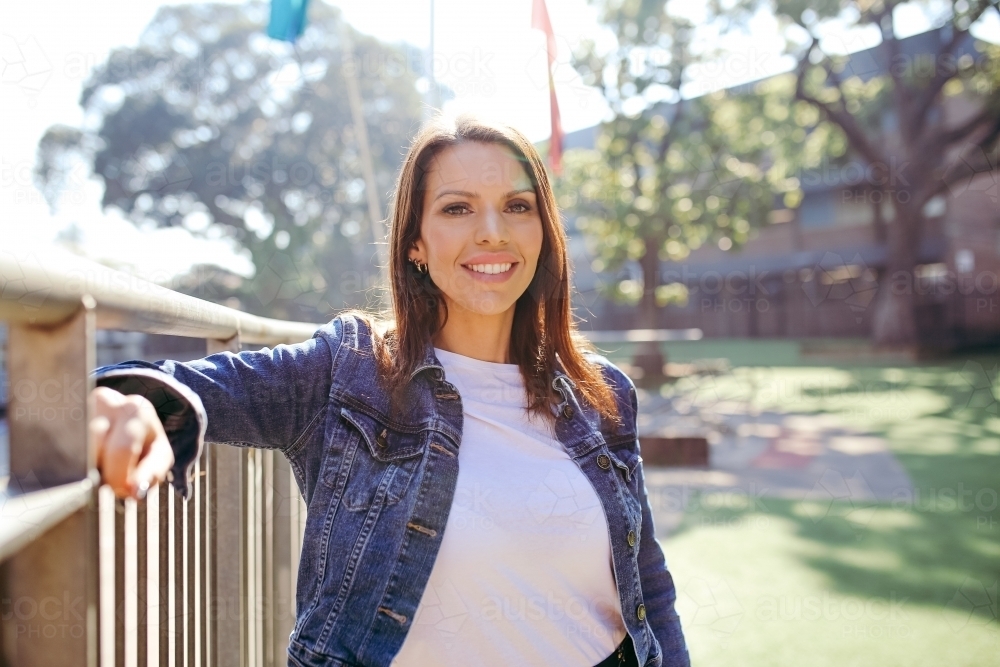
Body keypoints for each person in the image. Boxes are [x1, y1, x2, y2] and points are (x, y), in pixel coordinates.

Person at [90, 114, 690, 667]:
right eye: (457, 209)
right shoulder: (350, 372)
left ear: (543, 231)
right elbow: (185, 388)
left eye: (516, 206)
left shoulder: (601, 392)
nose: (491, 232)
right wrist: (133, 404)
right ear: (415, 243)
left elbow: (647, 582)